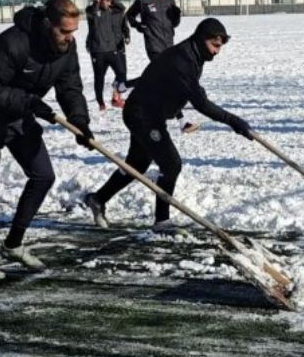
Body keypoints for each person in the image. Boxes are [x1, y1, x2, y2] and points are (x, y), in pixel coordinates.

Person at [0, 0, 95, 279]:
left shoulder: (66, 49)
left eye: (73, 31)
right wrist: (29, 101)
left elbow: (70, 86)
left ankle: (13, 244)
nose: (70, 38)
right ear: (48, 24)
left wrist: (80, 121)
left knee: (43, 176)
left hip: (19, 116)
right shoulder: (11, 43)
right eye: (64, 31)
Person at [84, 18, 253, 232]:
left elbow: (173, 83)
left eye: (220, 46)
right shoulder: (183, 59)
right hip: (143, 115)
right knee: (171, 164)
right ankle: (162, 222)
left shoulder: (193, 55)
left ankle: (98, 199)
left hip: (148, 112)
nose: (217, 51)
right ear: (202, 39)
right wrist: (234, 122)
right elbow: (201, 104)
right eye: (215, 45)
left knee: (136, 165)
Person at [126, 0, 196, 133]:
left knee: (161, 82)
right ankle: (182, 122)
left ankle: (123, 87)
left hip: (169, 45)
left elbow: (174, 23)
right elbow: (129, 15)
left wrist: (177, 15)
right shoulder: (144, 0)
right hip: (154, 46)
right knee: (169, 80)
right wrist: (139, 26)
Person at [86, 0, 129, 111]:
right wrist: (96, 2)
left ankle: (115, 95)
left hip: (112, 49)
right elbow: (92, 13)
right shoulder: (91, 10)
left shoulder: (111, 11)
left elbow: (121, 9)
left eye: (111, 1)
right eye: (108, 1)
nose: (110, 3)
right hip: (98, 51)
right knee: (99, 77)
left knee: (121, 73)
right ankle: (100, 102)